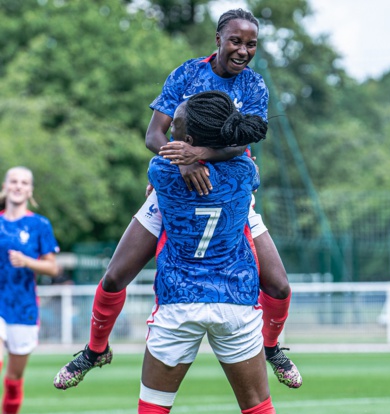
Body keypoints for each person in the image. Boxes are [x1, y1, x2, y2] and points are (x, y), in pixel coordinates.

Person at [54, 8, 302, 391]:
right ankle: (94, 349)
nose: (243, 50)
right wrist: (182, 164)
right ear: (218, 39)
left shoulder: (254, 86)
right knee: (116, 275)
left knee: (279, 286)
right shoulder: (186, 74)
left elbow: (244, 142)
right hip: (175, 185)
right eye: (235, 41)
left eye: (251, 44)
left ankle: (270, 348)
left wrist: (196, 156)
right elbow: (154, 134)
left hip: (231, 193)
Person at [137, 90, 296, 414]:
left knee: (153, 411)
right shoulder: (246, 173)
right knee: (260, 411)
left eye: (175, 128)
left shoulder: (161, 172)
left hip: (179, 301)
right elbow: (241, 160)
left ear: (188, 143)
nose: (169, 135)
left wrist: (176, 170)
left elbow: (161, 163)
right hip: (236, 302)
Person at [0, 166, 59, 414]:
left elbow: (53, 267)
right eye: (14, 181)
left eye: (24, 182)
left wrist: (27, 261)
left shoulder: (39, 225)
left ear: (30, 189)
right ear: (5, 185)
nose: (18, 186)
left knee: (13, 380)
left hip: (23, 310)